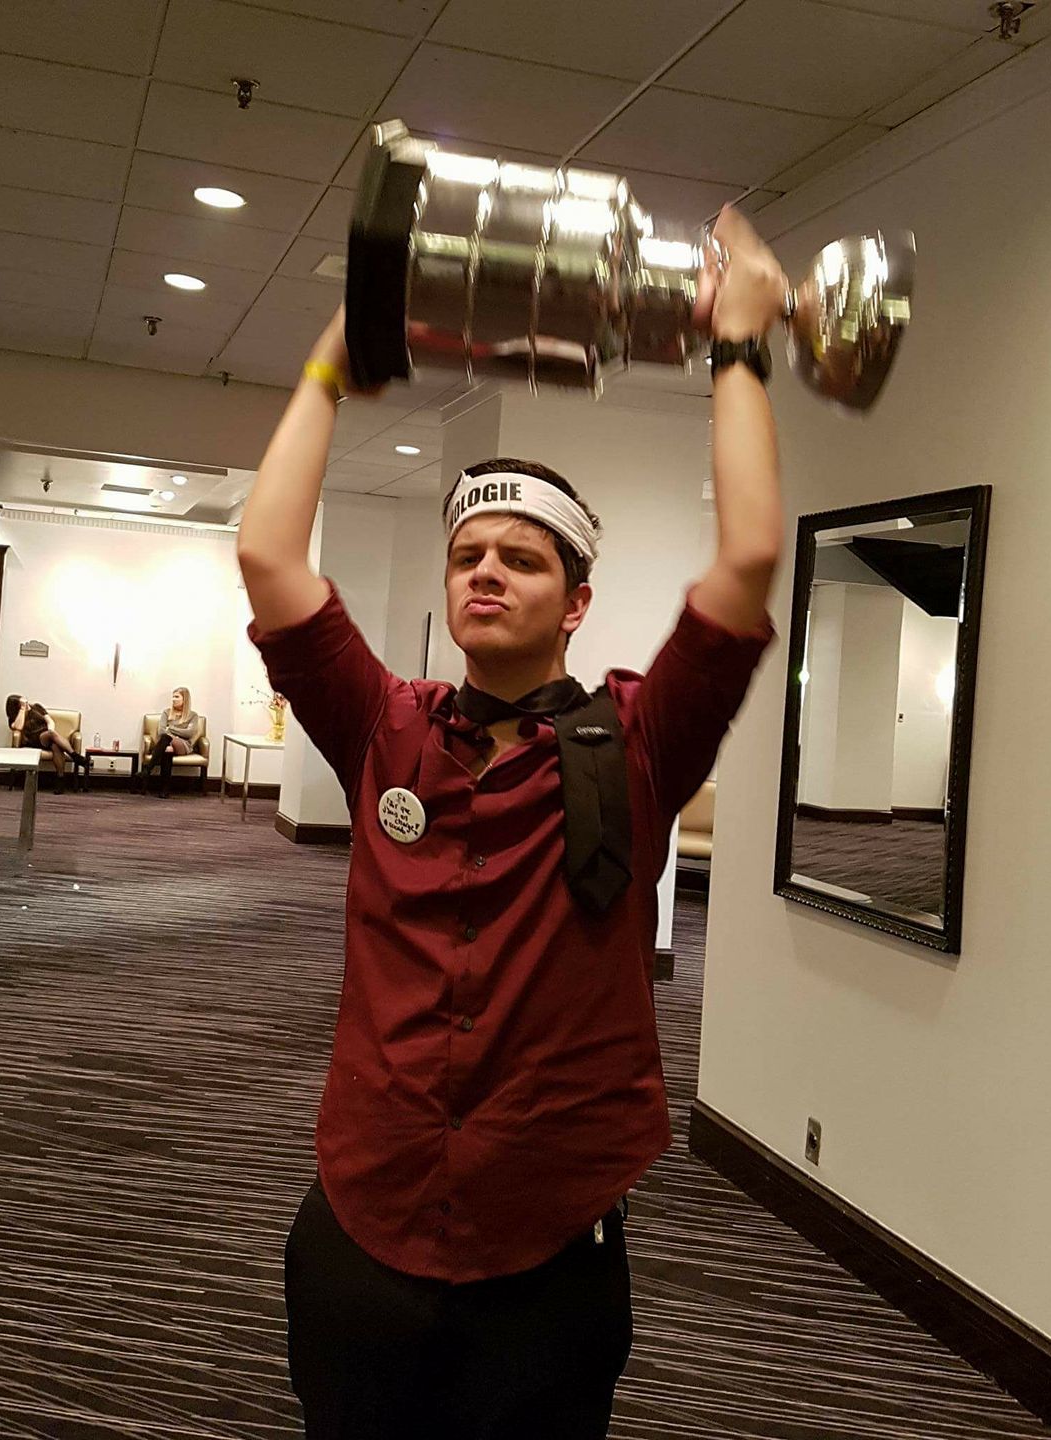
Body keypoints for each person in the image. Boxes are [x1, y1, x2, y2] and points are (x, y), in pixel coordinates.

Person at [237, 205, 787, 1440]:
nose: (486, 571)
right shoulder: (386, 725)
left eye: (523, 560)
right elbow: (270, 554)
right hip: (363, 1224)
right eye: (467, 553)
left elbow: (748, 557)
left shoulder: (638, 745)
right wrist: (339, 350)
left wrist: (739, 350)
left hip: (546, 1257)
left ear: (576, 600)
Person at [6, 694, 86, 792]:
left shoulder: (37, 707)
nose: (26, 704)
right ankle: (75, 756)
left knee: (56, 745)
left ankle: (60, 781)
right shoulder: (14, 717)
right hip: (33, 739)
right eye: (22, 703)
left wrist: (50, 731)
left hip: (46, 735)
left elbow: (50, 721)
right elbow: (18, 727)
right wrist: (22, 710)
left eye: (25, 701)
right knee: (52, 738)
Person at [141, 687, 198, 797]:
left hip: (183, 744)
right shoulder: (166, 713)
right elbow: (161, 731)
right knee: (167, 748)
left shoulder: (193, 715)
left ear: (184, 699)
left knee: (166, 738)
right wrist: (175, 732)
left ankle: (147, 770)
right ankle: (164, 790)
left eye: (177, 697)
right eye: (173, 696)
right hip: (166, 743)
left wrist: (171, 729)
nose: (173, 699)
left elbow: (189, 733)